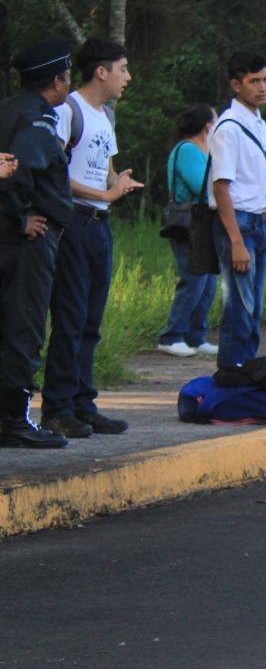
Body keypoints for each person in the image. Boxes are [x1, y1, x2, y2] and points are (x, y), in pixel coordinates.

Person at [40, 37, 141, 439]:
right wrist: (105, 194)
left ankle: (83, 404)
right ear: (101, 71)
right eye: (123, 69)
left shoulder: (105, 116)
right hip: (74, 224)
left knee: (91, 321)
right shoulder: (68, 111)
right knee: (70, 317)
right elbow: (54, 174)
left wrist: (118, 182)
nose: (127, 77)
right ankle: (57, 408)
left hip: (99, 224)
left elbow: (106, 170)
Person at [0, 40, 76, 449]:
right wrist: (20, 218)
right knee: (24, 326)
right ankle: (14, 419)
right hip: (26, 243)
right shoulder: (38, 118)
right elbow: (18, 170)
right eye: (67, 76)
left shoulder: (9, 108)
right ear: (56, 81)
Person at [209, 51, 266, 367]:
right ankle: (232, 374)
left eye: (265, 80)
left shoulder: (259, 124)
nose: (262, 87)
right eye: (254, 81)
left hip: (258, 220)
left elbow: (260, 186)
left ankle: (247, 372)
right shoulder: (228, 127)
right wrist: (236, 241)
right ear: (236, 85)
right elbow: (221, 188)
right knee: (239, 307)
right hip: (236, 222)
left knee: (255, 308)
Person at [156, 104, 219, 357]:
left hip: (205, 222)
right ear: (208, 127)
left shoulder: (204, 151)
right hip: (190, 222)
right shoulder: (188, 150)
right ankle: (171, 336)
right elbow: (203, 186)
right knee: (194, 279)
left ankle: (195, 335)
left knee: (208, 281)